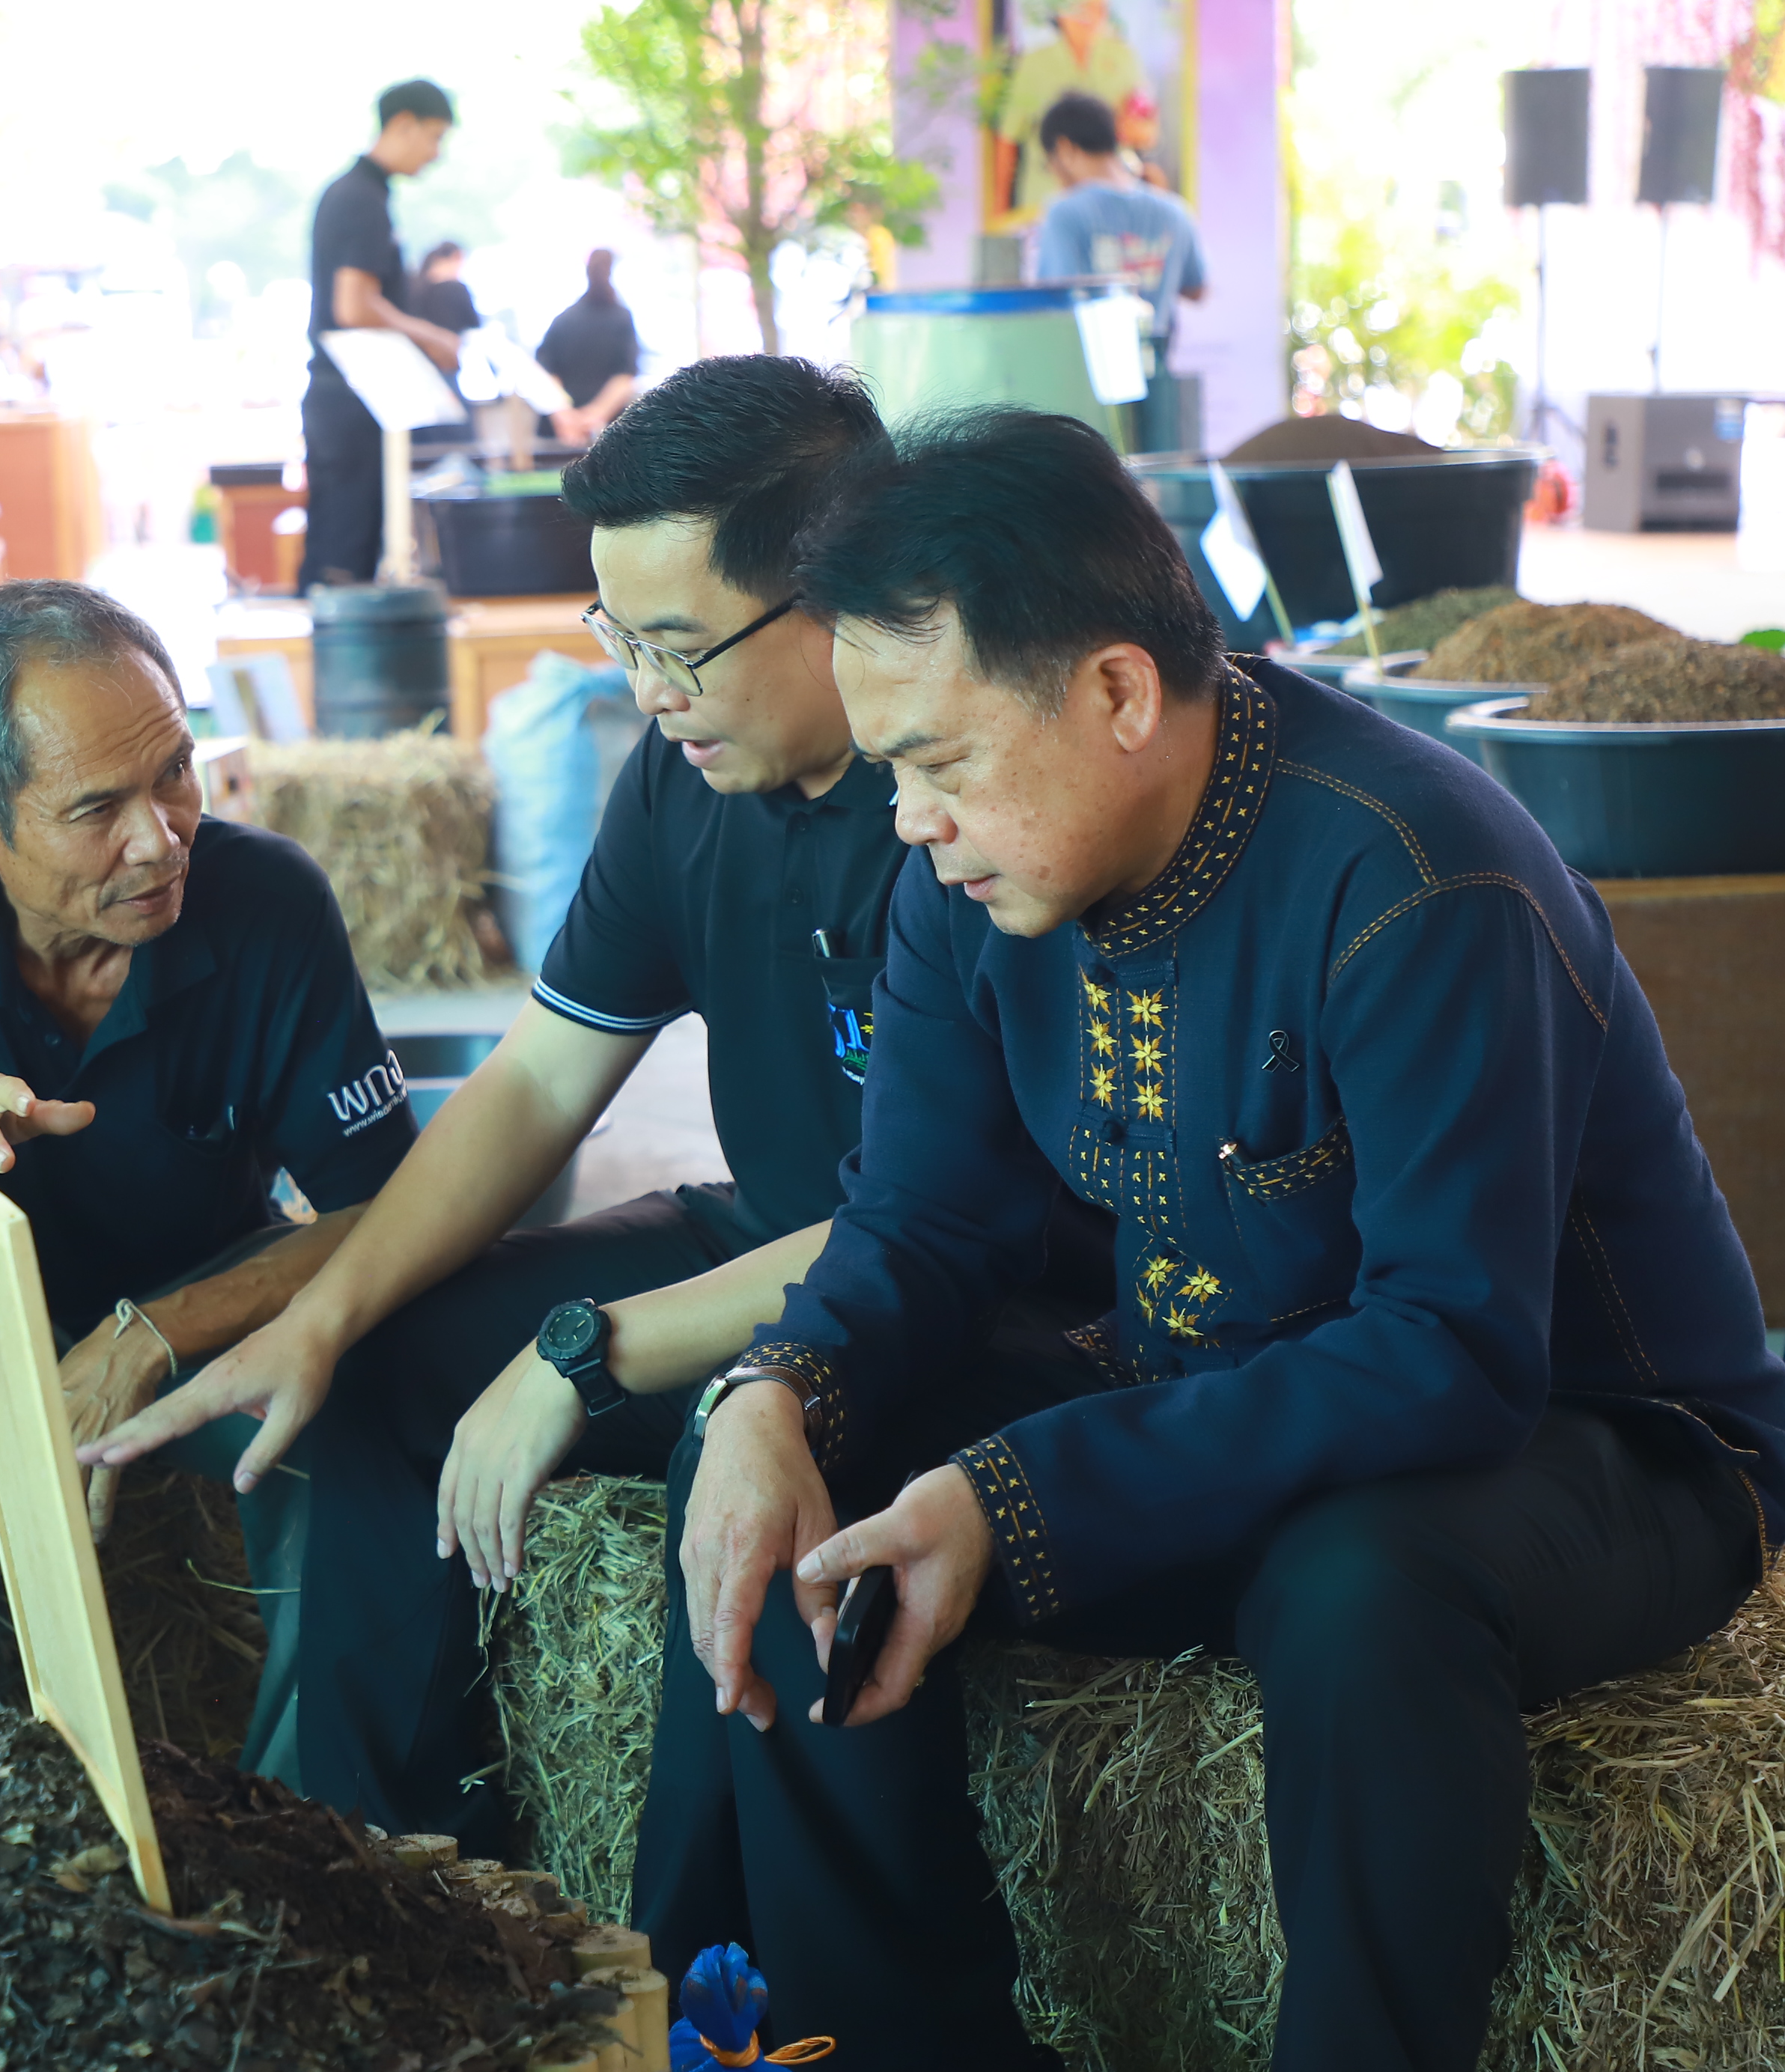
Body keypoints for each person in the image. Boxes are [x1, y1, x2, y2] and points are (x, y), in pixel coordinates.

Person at [675, 407, 1785, 2067]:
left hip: (1593, 1438)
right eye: (891, 766)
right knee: (807, 1510)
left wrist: (1028, 1493)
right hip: (1223, 1389)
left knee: (1358, 1586)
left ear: (1118, 694)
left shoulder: (1420, 875)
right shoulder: (968, 879)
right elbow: (922, 1215)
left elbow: (1455, 1350)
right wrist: (774, 1394)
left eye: (941, 763)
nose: (908, 824)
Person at [83, 360, 1040, 1880]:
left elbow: (932, 1227)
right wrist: (324, 1313)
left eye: (677, 647)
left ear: (834, 599)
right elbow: (535, 1081)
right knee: (374, 1366)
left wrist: (575, 1350)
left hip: (931, 1296)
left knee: (735, 1465)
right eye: (618, 639)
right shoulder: (679, 782)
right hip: (760, 1231)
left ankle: (683, 1969)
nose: (644, 693)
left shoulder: (969, 807)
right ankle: (387, 1875)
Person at [0, 580, 416, 1782]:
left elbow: (383, 1209)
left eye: (175, 771)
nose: (161, 835)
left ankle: (323, 1829)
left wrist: (149, 1337)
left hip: (197, 1287)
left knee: (359, 1366)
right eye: (95, 809)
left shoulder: (269, 900)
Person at [299, 80, 461, 591]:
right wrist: (430, 336)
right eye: (434, 137)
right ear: (402, 124)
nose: (436, 154)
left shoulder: (363, 194)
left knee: (344, 544)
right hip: (349, 398)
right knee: (342, 555)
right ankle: (327, 668)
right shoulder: (359, 197)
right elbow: (353, 305)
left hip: (345, 399)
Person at [1033, 89, 1203, 449]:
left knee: (1100, 482)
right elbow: (1197, 288)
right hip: (1156, 364)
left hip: (1087, 374)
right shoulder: (1174, 212)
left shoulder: (1064, 213)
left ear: (1064, 149)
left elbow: (1058, 300)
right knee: (1156, 483)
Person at [993, 0, 1149, 220]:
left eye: (1097, 6)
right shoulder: (1034, 63)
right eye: (1079, 6)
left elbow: (1146, 131)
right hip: (1043, 200)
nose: (1088, 12)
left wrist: (1126, 130)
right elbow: (1008, 137)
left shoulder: (1124, 58)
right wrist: (1000, 212)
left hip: (1111, 202)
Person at [535, 252, 639, 447]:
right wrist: (593, 416)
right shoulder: (622, 318)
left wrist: (565, 415)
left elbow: (544, 373)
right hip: (607, 432)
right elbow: (625, 376)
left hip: (561, 432)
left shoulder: (564, 319)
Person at [411, 243, 482, 335]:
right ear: (457, 256)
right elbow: (475, 325)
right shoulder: (457, 290)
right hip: (449, 346)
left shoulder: (412, 284)